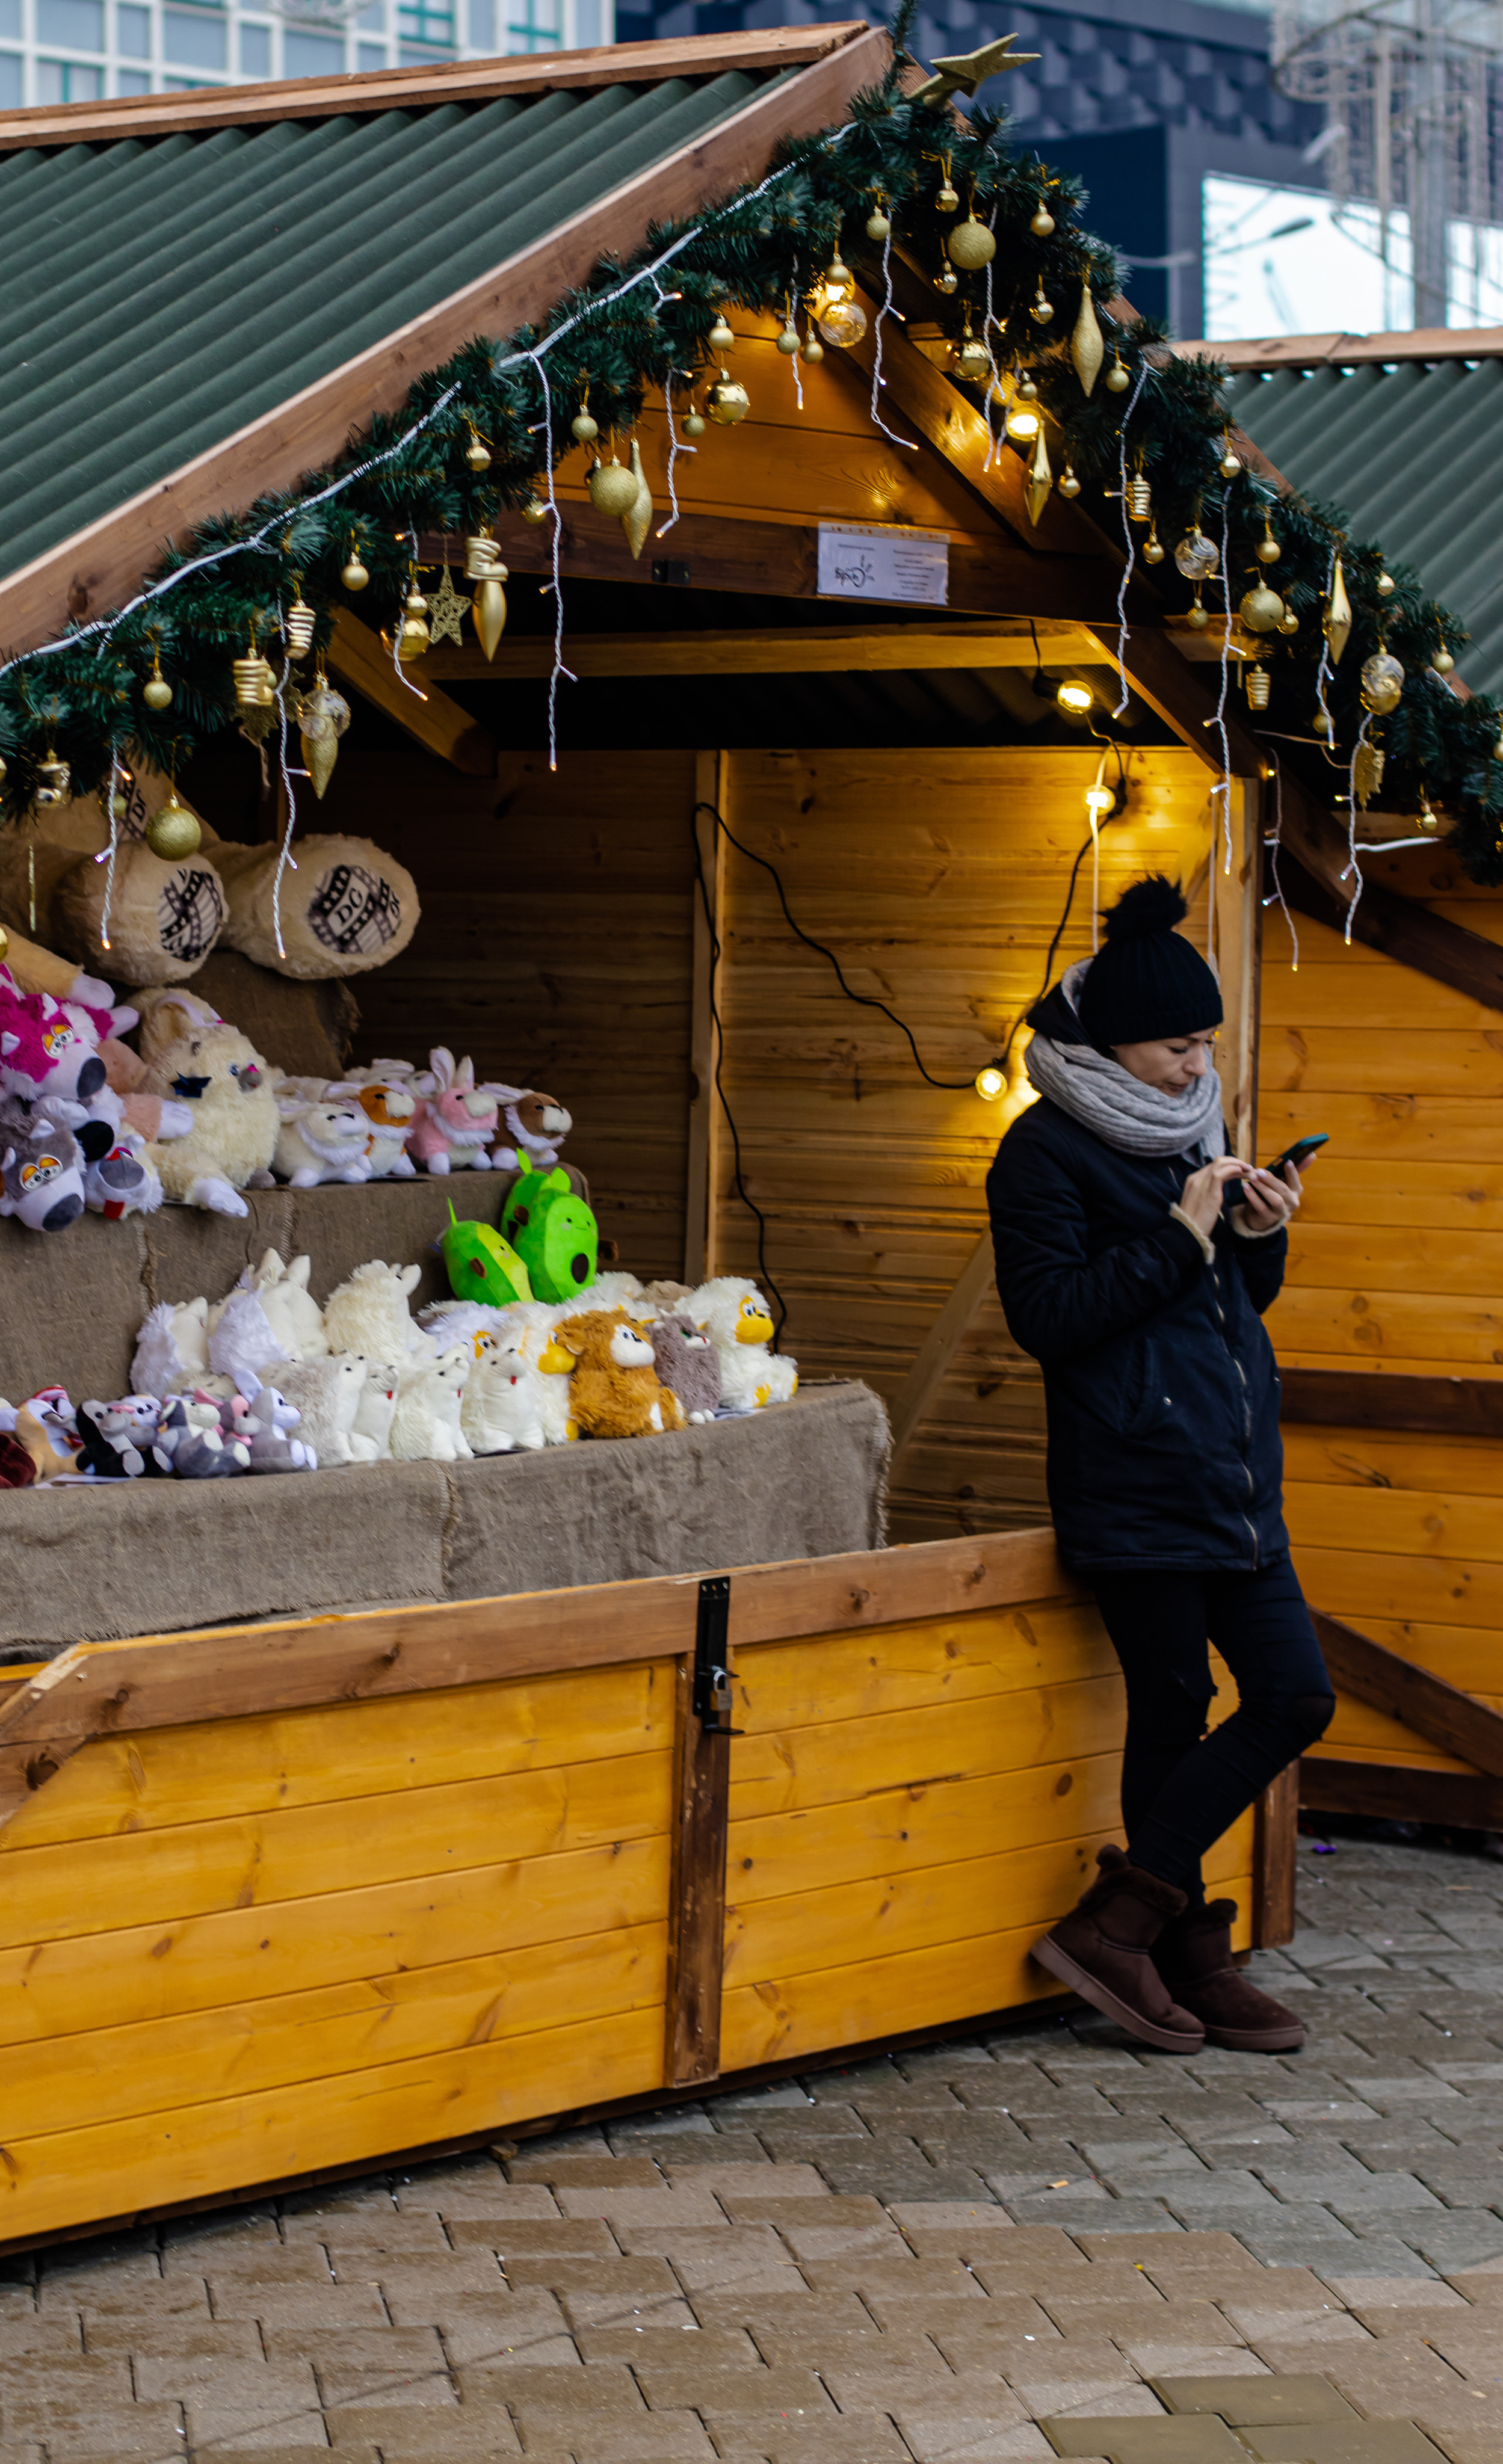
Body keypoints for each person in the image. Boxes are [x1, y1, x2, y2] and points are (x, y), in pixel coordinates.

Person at [987, 875, 1334, 2056]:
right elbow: (1051, 1316)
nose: (1198, 1068)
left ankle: (1127, 1924)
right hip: (1132, 1475)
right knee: (1177, 1701)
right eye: (1177, 1046)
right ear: (1108, 1044)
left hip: (1235, 1476)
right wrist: (1181, 1231)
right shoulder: (1039, 1153)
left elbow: (1233, 1306)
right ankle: (1173, 1944)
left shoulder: (1197, 1130)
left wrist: (1251, 1233)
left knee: (1294, 1694)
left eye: (1204, 1045)